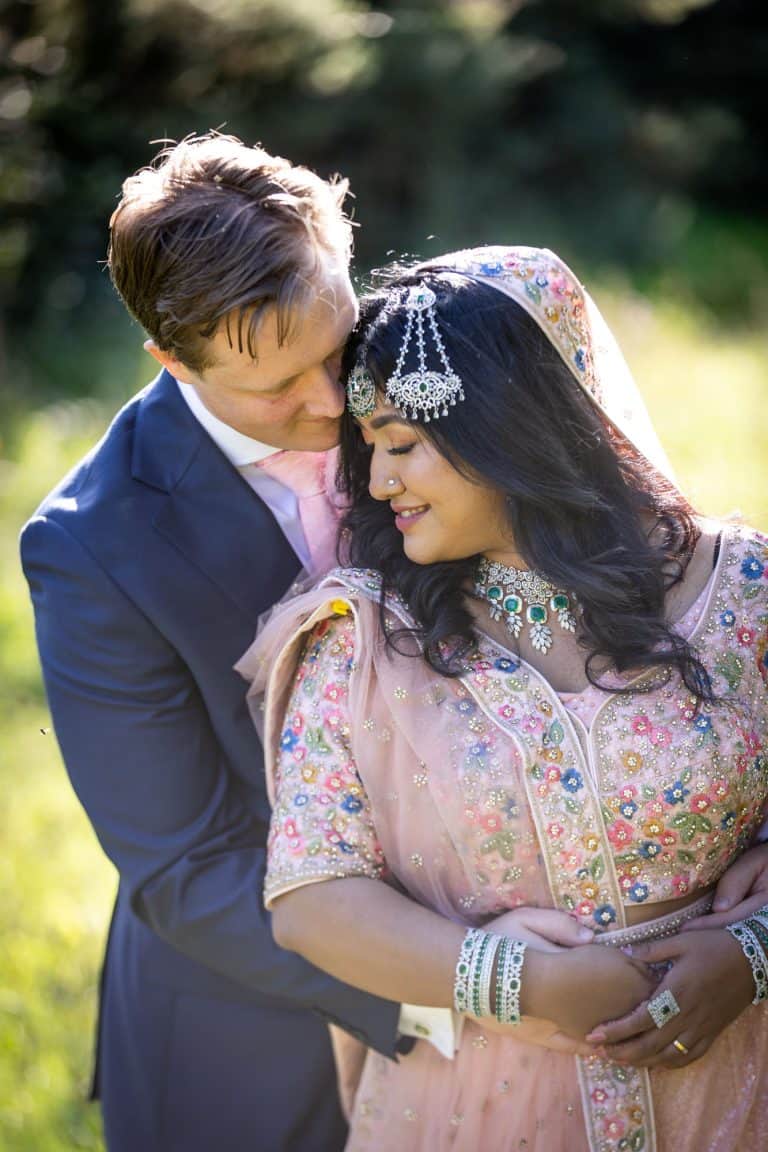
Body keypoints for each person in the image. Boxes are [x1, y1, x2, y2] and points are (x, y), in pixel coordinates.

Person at [238, 246, 768, 1151]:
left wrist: (752, 953)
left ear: (512, 428)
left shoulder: (743, 593)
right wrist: (511, 977)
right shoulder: (362, 641)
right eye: (369, 450)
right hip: (487, 1097)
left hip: (734, 1079)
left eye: (402, 445)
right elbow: (309, 897)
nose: (377, 484)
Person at [19, 131, 460, 1152]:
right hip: (253, 1041)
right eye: (274, 385)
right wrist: (455, 984)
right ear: (172, 360)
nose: (327, 404)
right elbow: (183, 863)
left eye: (335, 349)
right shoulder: (95, 544)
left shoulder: (437, 369)